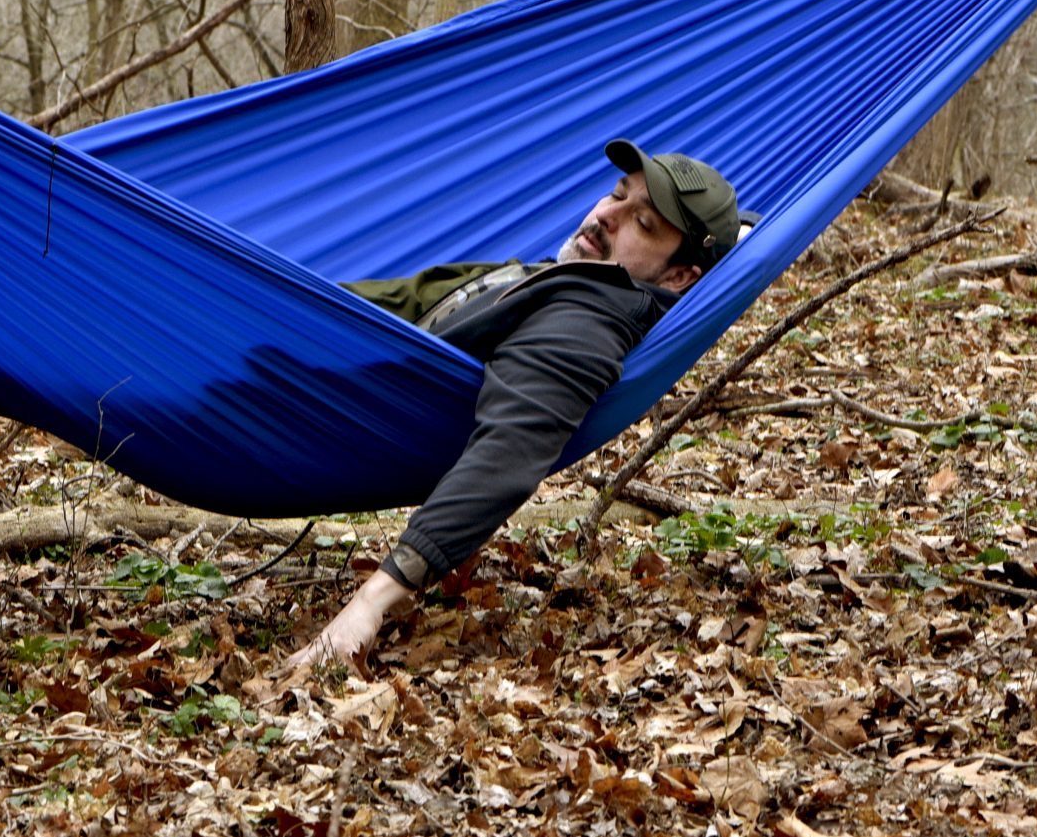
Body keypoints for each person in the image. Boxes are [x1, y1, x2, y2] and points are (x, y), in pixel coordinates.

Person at [284, 141, 741, 670]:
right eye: (616, 194)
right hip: (313, 331)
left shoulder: (587, 322)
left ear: (681, 277)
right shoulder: (580, 278)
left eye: (641, 221)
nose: (605, 216)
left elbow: (508, 451)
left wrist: (372, 601)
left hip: (292, 404)